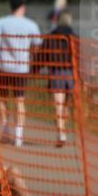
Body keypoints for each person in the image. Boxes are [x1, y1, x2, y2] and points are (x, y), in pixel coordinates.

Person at [0, 0, 42, 147]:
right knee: (20, 100)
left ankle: (6, 132)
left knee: (2, 99)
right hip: (21, 68)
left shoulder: (2, 22)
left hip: (3, 67)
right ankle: (19, 136)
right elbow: (38, 45)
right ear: (23, 7)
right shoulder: (31, 24)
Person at [42, 11, 75, 147]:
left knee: (58, 105)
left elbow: (43, 55)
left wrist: (34, 69)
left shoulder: (50, 37)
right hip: (71, 74)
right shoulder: (75, 38)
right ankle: (63, 130)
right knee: (66, 106)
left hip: (56, 72)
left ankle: (61, 133)